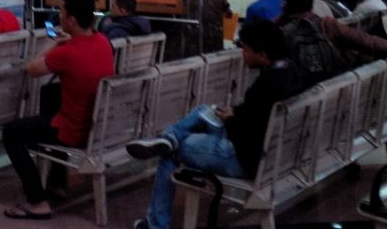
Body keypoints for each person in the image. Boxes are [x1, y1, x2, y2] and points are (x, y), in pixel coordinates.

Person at [126, 19, 304, 229]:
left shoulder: (266, 86)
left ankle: (155, 224)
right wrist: (235, 112)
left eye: (246, 49)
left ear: (262, 55)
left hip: (244, 159)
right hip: (277, 155)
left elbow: (246, 131)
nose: (242, 53)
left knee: (171, 153)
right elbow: (259, 114)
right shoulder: (290, 70)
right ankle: (169, 137)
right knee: (204, 111)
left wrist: (230, 119)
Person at [2, 0, 113, 220]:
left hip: (74, 130)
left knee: (11, 132)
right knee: (51, 95)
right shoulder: (103, 41)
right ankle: (56, 182)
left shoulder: (68, 52)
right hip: (98, 125)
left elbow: (31, 69)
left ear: (71, 20)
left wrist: (56, 44)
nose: (58, 15)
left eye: (61, 11)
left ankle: (37, 201)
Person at [280, 0, 387, 84]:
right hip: (334, 83)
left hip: (298, 89)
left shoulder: (281, 32)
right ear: (311, 6)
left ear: (286, 6)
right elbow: (366, 41)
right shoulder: (326, 25)